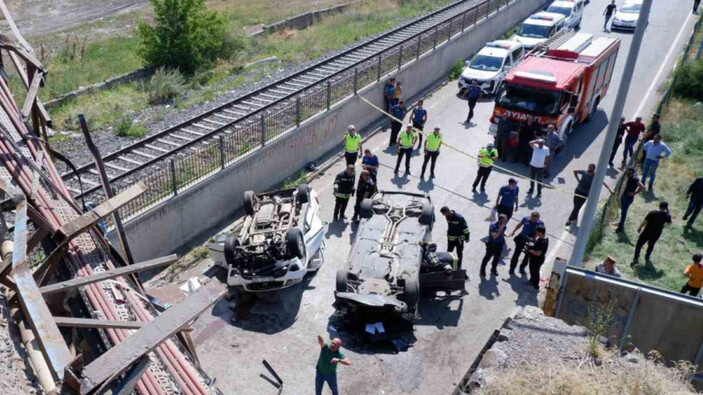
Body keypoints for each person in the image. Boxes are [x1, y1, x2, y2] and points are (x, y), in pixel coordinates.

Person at [631, 201, 672, 266]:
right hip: (656, 233)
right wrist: (668, 214)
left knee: (639, 244)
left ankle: (636, 258)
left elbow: (645, 221)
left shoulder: (652, 213)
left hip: (647, 231)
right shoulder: (667, 215)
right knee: (651, 244)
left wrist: (640, 227)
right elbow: (669, 224)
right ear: (666, 208)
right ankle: (647, 256)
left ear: (659, 206)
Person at [616, 167, 645, 232]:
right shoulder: (631, 175)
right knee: (623, 211)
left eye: (627, 171)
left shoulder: (634, 178)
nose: (626, 172)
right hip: (626, 196)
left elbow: (642, 186)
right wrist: (621, 169)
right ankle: (621, 223)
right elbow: (625, 172)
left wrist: (634, 193)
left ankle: (621, 227)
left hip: (628, 197)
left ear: (630, 171)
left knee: (624, 212)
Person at [525, 225, 549, 290]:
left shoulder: (543, 242)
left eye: (537, 232)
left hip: (537, 259)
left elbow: (538, 253)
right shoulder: (542, 238)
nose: (536, 233)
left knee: (535, 271)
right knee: (532, 270)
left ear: (540, 232)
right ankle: (532, 280)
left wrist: (529, 250)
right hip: (534, 258)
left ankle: (535, 285)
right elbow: (536, 245)